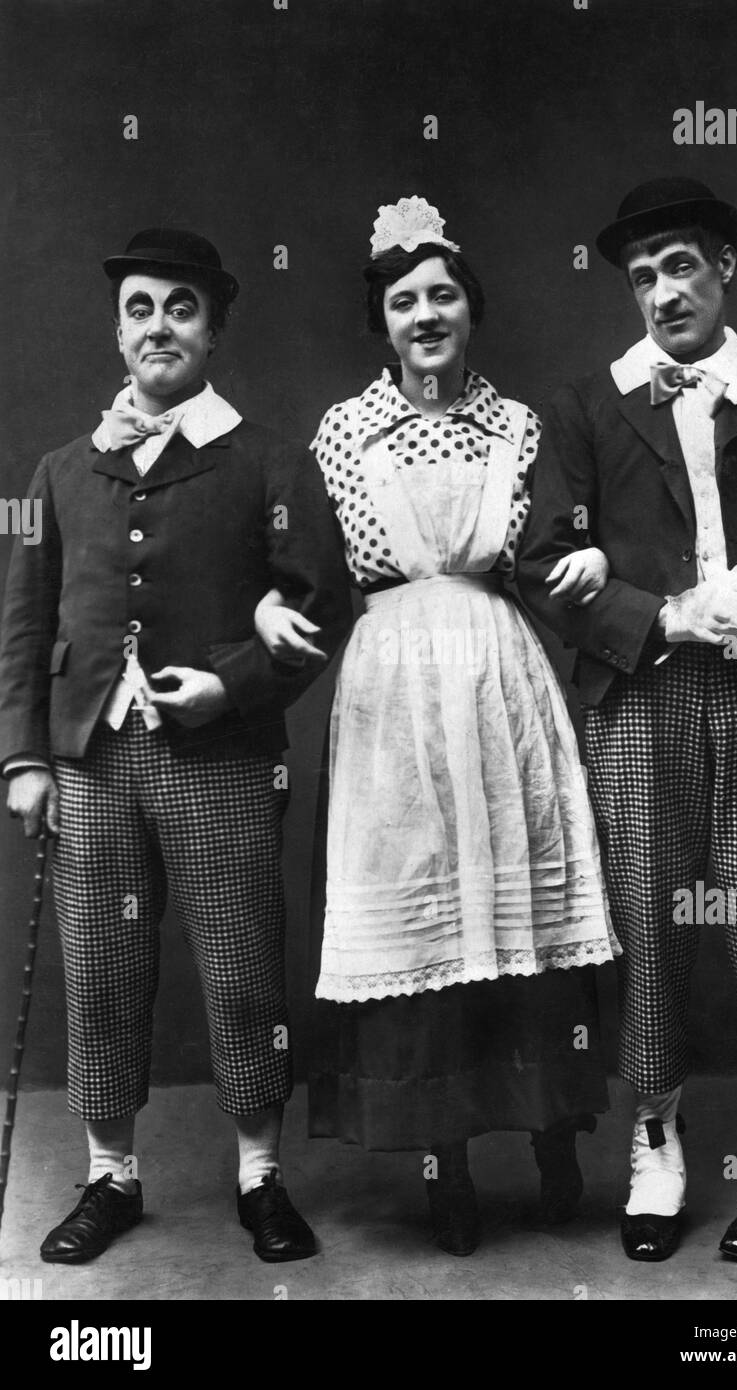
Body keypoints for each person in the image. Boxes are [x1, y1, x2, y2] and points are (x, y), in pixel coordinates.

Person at [255, 196, 619, 1256]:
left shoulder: (520, 426)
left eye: (443, 295)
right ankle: (443, 1164)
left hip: (500, 674)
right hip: (391, 690)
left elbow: (552, 555)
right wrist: (270, 605)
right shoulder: (341, 431)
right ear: (382, 318)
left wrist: (592, 567)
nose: (426, 315)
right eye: (405, 299)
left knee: (520, 912)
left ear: (471, 310)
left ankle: (556, 1132)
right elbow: (307, 574)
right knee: (422, 916)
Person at [517, 178, 737, 1264]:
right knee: (645, 919)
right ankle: (656, 1140)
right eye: (641, 277)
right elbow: (540, 565)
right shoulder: (586, 406)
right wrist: (657, 610)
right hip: (645, 695)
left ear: (724, 269)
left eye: (680, 268)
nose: (663, 294)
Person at [0, 227, 352, 1264]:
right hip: (90, 764)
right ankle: (110, 1176)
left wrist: (231, 682)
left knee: (244, 968)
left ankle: (259, 1176)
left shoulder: (266, 460)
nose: (161, 325)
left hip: (225, 758)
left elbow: (320, 604)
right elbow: (25, 625)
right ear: (119, 330)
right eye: (141, 307)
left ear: (214, 328)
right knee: (103, 971)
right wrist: (24, 759)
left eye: (182, 308)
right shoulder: (63, 470)